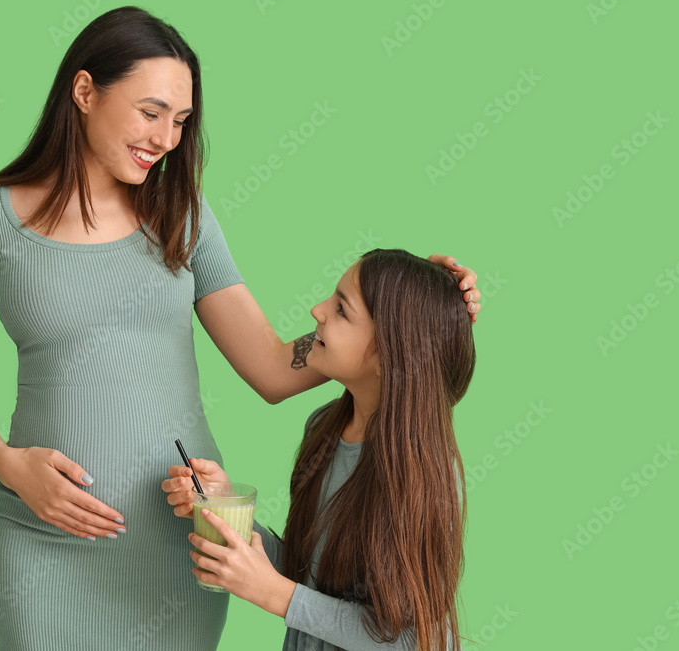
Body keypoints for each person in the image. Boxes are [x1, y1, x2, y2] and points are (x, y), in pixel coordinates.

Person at [0, 5, 481, 650]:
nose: (166, 139)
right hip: (39, 545)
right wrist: (12, 466)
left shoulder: (181, 212)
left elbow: (276, 366)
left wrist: (406, 318)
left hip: (179, 547)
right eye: (150, 111)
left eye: (181, 121)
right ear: (84, 92)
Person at [163, 248, 474, 650]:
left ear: (389, 354)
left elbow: (414, 639)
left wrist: (275, 595)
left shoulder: (421, 474)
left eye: (342, 310)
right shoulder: (326, 429)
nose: (317, 310)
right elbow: (307, 575)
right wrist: (225, 510)